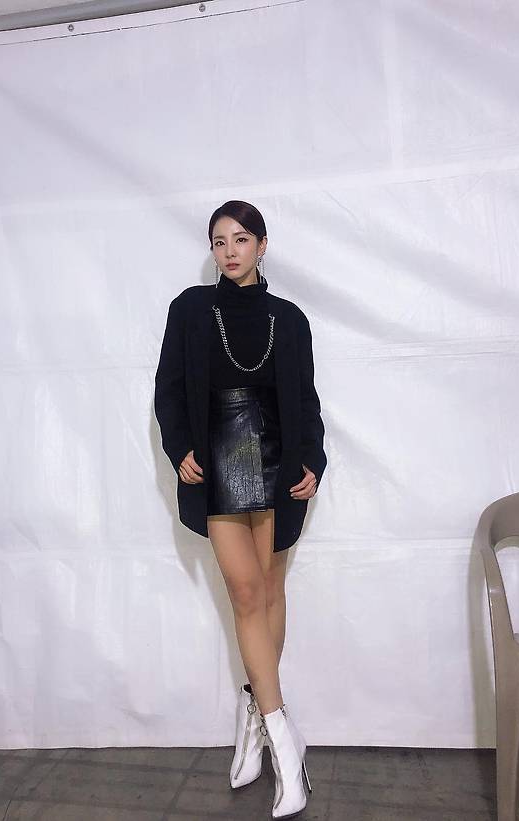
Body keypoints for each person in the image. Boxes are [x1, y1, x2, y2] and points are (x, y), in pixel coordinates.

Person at [154, 200, 327, 819]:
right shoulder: (191, 309)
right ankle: (285, 739)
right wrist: (180, 448)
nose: (229, 251)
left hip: (279, 461)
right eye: (219, 241)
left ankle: (252, 718)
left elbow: (305, 398)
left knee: (271, 590)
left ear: (261, 245)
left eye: (241, 239)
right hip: (220, 457)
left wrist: (313, 459)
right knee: (247, 593)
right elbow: (168, 388)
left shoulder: (290, 318)